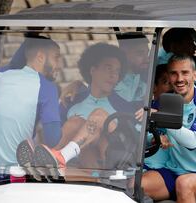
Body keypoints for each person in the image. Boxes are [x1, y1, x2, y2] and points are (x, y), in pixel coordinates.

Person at [17, 43, 142, 176]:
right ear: (92, 70)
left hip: (107, 168)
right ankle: (47, 164)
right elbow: (51, 134)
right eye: (108, 68)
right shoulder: (72, 99)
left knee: (99, 116)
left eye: (117, 71)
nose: (113, 75)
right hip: (78, 167)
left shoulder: (125, 106)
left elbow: (135, 142)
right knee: (75, 122)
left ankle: (57, 159)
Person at [142, 54, 196, 202]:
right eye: (174, 73)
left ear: (195, 75)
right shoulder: (165, 100)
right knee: (135, 184)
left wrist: (162, 118)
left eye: (185, 72)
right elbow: (146, 134)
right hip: (172, 170)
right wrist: (156, 137)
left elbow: (193, 141)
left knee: (184, 184)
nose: (179, 79)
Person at [0, 36, 62, 183]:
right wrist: (62, 106)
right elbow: (53, 138)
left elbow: (17, 60)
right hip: (17, 174)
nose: (59, 65)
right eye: (56, 58)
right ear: (40, 56)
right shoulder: (47, 87)